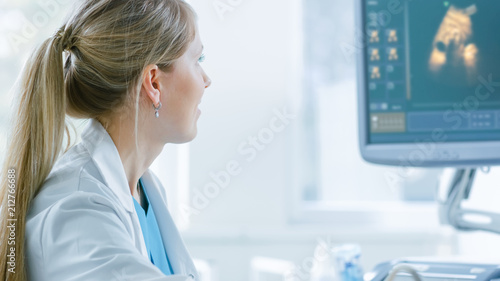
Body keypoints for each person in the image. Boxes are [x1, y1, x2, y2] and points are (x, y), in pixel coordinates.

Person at [0, 0, 211, 280]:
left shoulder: (144, 190)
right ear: (154, 83)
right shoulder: (78, 210)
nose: (206, 80)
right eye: (198, 60)